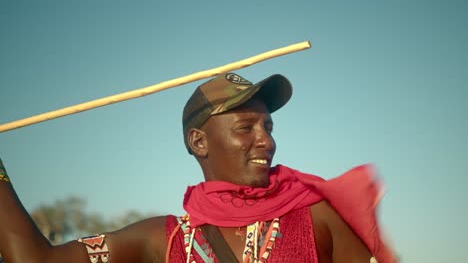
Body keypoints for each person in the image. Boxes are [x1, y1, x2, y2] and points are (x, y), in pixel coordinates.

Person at [0, 72, 397, 263]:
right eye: (246, 128)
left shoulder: (319, 217)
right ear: (199, 142)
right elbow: (36, 261)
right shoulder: (165, 240)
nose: (267, 140)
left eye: (268, 126)